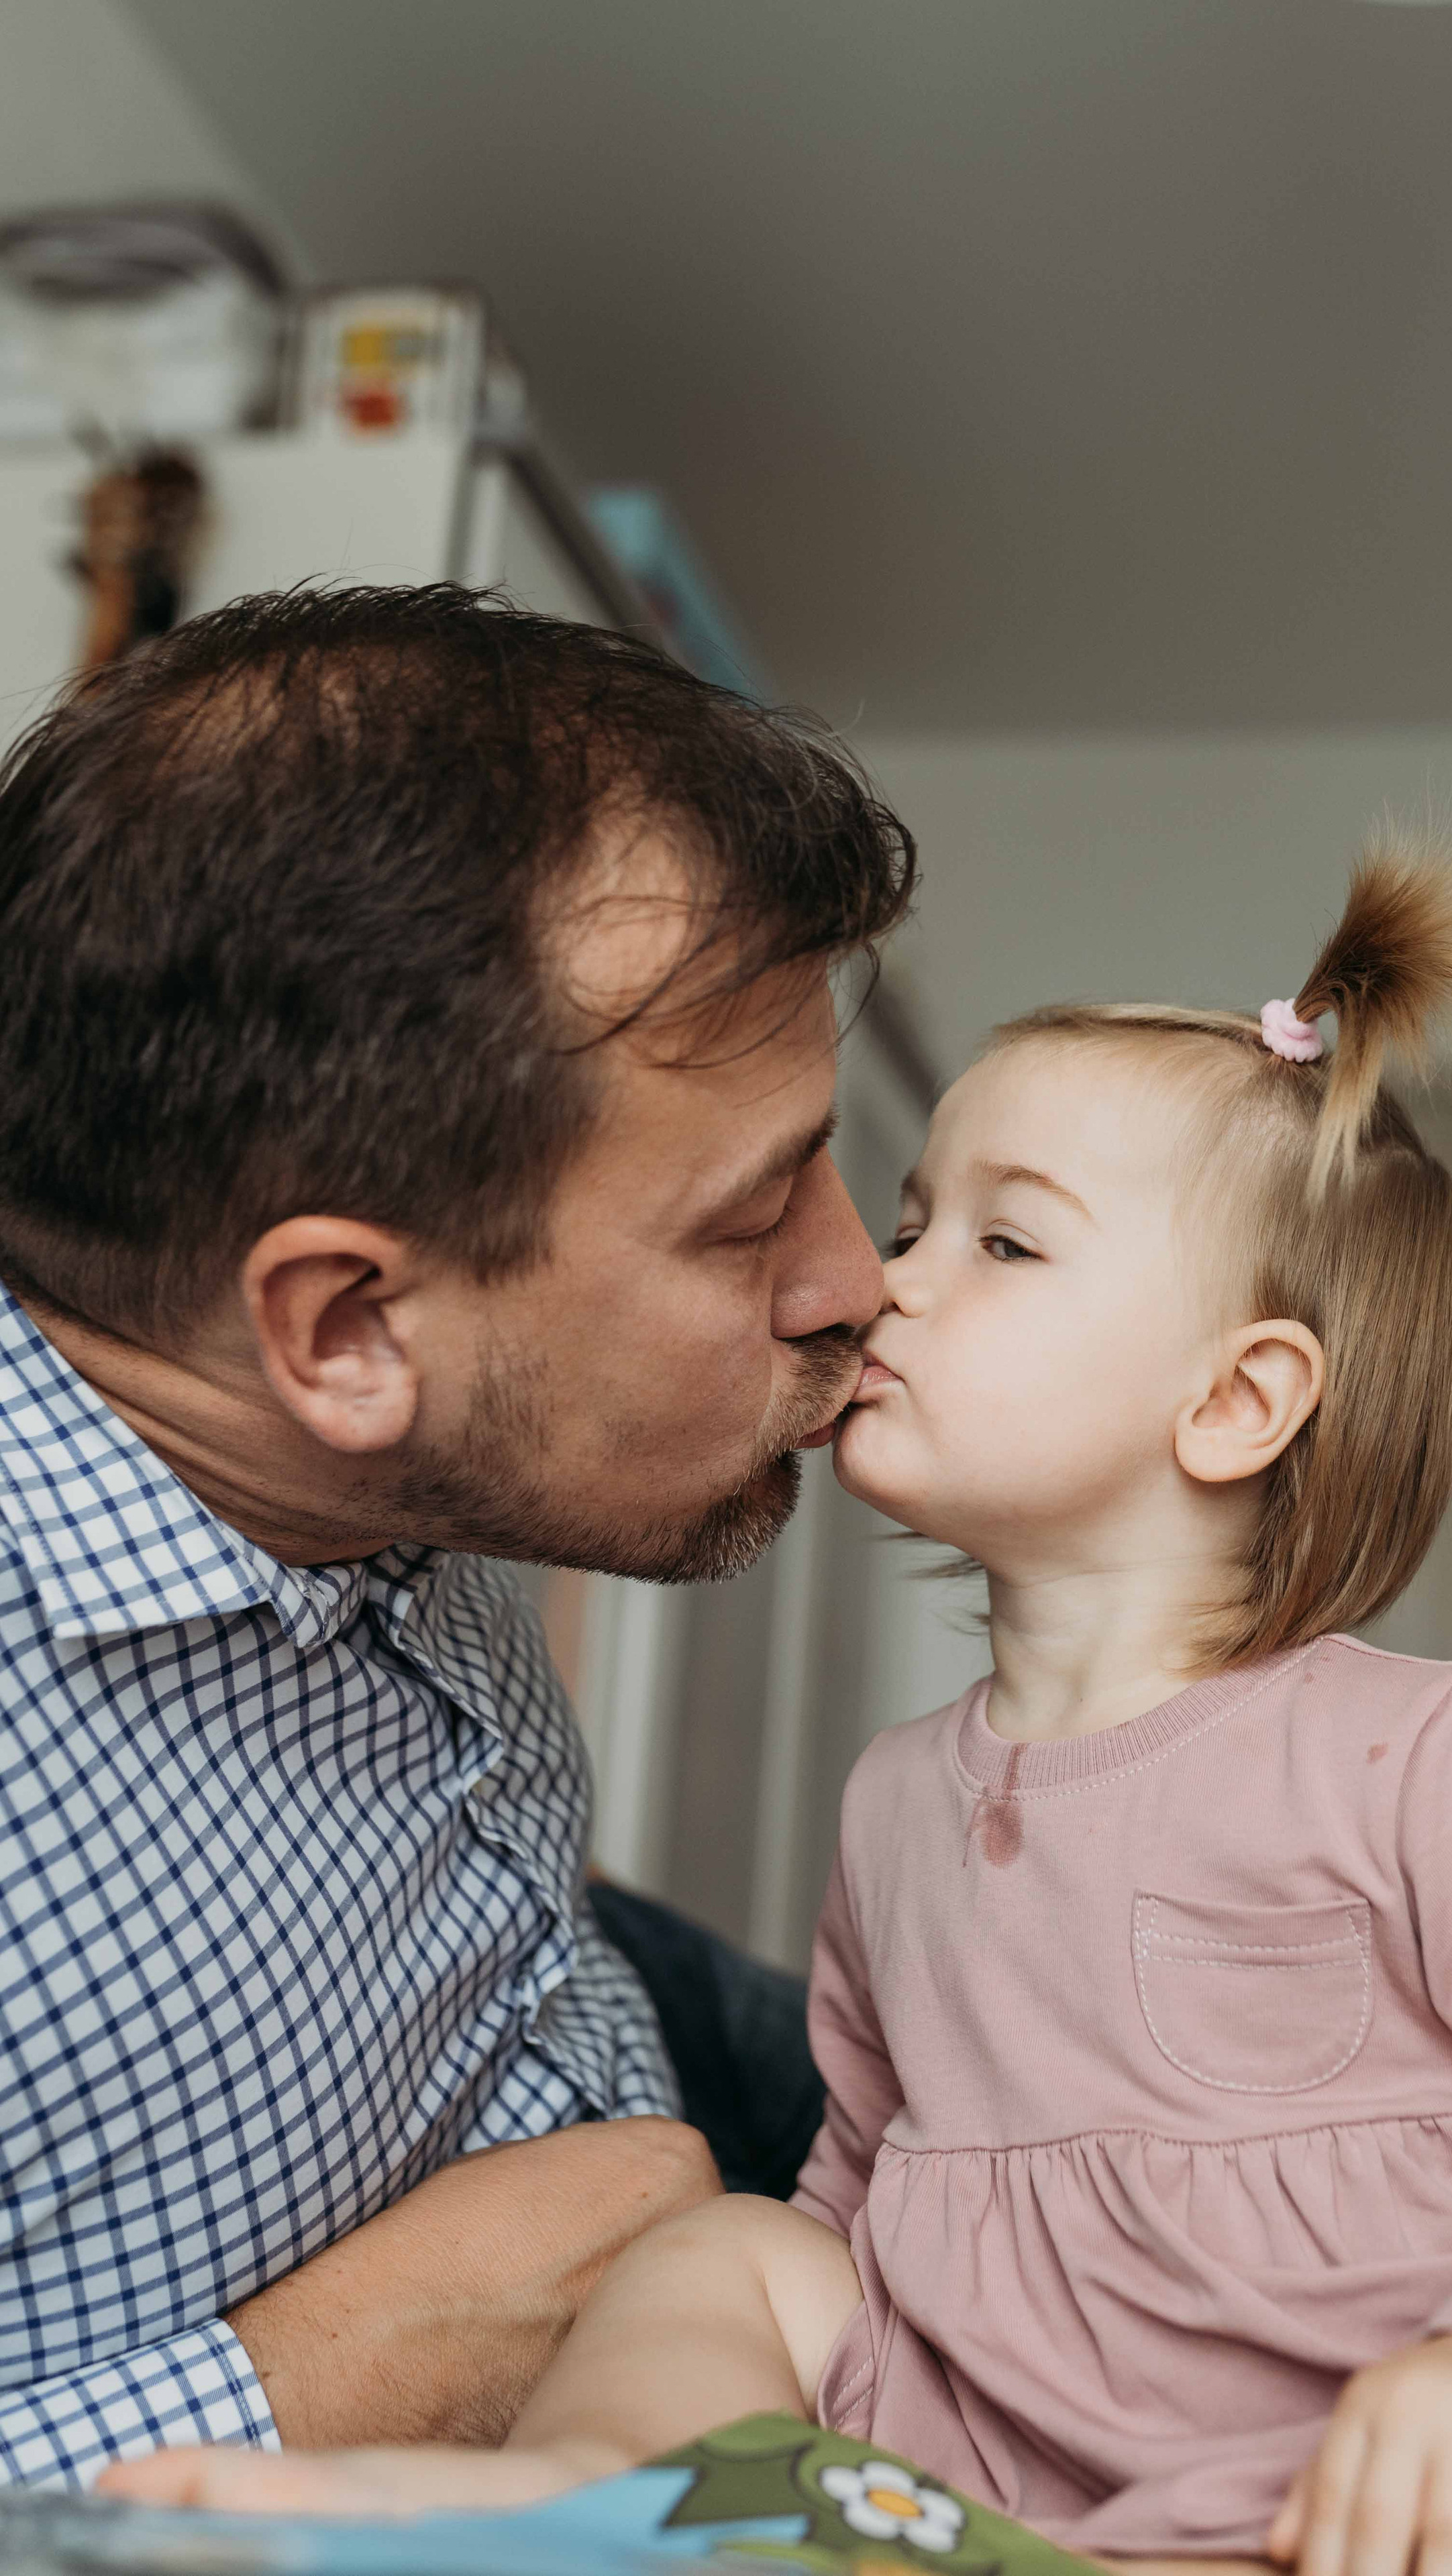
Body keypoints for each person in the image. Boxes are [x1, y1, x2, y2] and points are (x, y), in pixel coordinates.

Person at [120, 839, 1452, 2576]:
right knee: (741, 2252)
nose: (890, 1282)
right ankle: (593, 2502)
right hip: (992, 2491)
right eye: (912, 1223)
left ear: (1240, 1399)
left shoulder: (1420, 1754)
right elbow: (868, 2189)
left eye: (1008, 1241)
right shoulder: (899, 1801)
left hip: (1375, 2494)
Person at [0, 582, 913, 2484]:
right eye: (753, 1221)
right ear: (341, 1330)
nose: (858, 1283)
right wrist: (316, 2381)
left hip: (611, 2010)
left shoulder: (300, 1412)